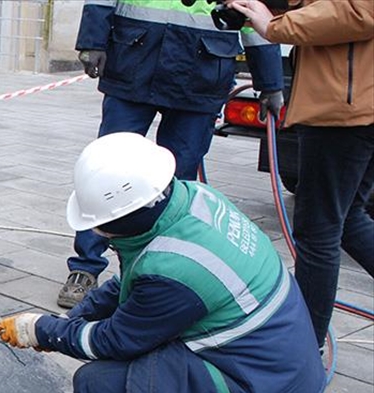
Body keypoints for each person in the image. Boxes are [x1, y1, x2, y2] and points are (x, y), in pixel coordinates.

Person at [0, 133, 325, 393]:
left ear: (127, 217)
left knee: (96, 389)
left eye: (101, 224)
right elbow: (131, 282)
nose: (98, 233)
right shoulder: (190, 200)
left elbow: (114, 341)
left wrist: (41, 331)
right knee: (134, 360)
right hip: (273, 362)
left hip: (260, 388)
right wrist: (71, 320)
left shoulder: (177, 269)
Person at [56, 0, 285, 309]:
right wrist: (92, 40)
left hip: (199, 75)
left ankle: (161, 270)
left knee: (177, 185)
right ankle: (85, 267)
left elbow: (253, 14)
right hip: (136, 63)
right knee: (104, 172)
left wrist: (270, 82)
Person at [225, 0, 374, 348]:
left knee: (318, 231)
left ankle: (304, 347)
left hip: (344, 109)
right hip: (351, 103)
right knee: (348, 217)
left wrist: (274, 26)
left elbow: (358, 11)